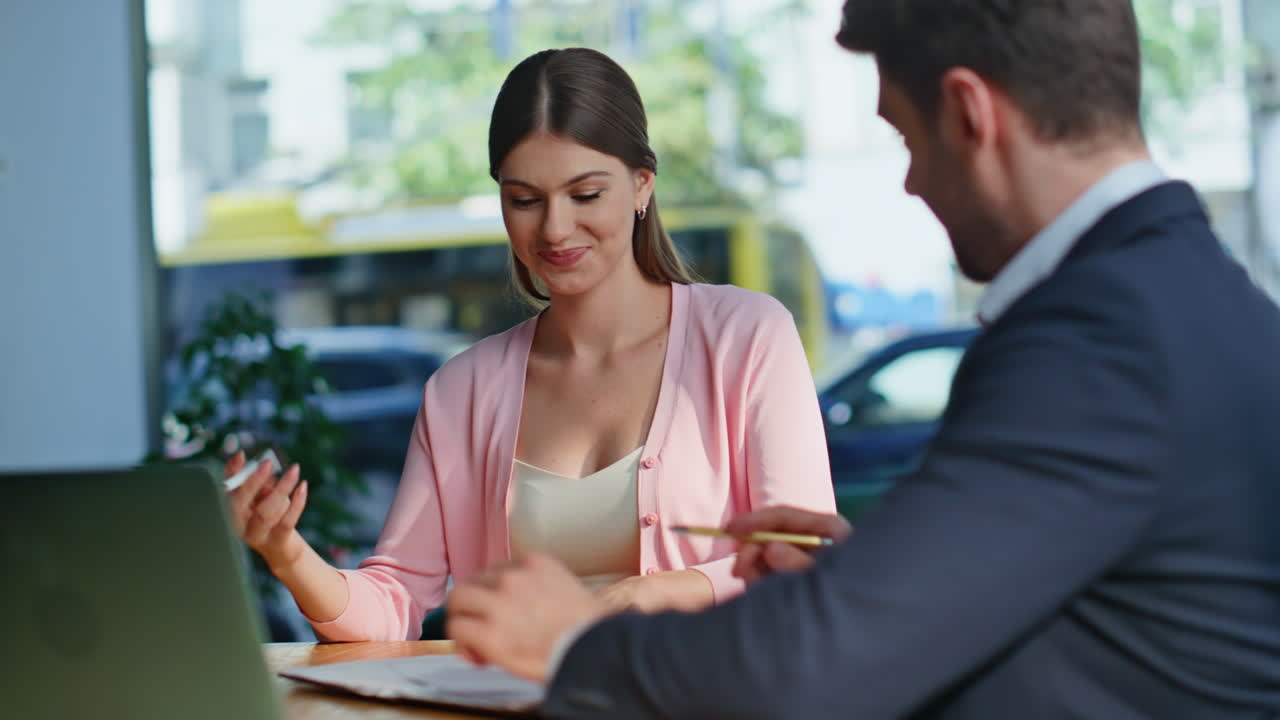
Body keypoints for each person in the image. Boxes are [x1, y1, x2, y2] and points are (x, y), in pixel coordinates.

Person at [446, 2, 1280, 718]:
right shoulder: (1201, 299)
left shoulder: (1100, 336)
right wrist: (872, 577)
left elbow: (808, 670)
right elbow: (1110, 621)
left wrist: (570, 643)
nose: (912, 183)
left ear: (968, 114)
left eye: (905, 137)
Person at [224, 46, 835, 642]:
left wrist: (657, 593)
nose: (554, 228)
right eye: (524, 201)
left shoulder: (747, 336)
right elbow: (394, 602)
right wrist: (286, 554)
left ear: (642, 184)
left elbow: (802, 555)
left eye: (585, 194)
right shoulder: (461, 390)